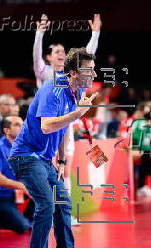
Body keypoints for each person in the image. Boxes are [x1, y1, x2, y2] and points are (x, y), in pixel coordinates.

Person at [8, 48, 99, 248]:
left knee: (63, 203)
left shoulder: (73, 91)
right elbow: (48, 126)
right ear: (74, 72)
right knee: (46, 203)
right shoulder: (53, 89)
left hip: (45, 159)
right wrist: (78, 114)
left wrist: (62, 158)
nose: (94, 74)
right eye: (89, 70)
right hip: (25, 156)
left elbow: (63, 128)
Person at [33, 13, 101, 226]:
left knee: (65, 170)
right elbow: (36, 56)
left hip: (66, 127)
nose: (61, 53)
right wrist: (39, 33)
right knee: (49, 172)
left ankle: (65, 214)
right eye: (57, 51)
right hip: (46, 127)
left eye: (63, 51)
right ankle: (50, 214)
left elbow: (86, 58)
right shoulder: (44, 73)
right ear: (49, 58)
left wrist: (95, 33)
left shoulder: (73, 76)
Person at [0, 116, 30, 233]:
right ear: (7, 130)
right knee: (22, 227)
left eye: (23, 124)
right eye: (17, 125)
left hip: (13, 194)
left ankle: (28, 220)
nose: (23, 127)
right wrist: (21, 186)